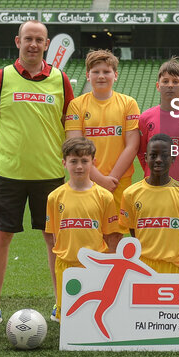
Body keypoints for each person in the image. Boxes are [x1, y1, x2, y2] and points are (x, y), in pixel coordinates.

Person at [0, 20, 75, 327]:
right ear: (17, 41)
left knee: (53, 239)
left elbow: (68, 125)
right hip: (8, 174)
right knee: (1, 236)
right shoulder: (2, 77)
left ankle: (61, 302)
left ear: (47, 44)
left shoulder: (60, 80)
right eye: (28, 39)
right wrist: (8, 155)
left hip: (49, 175)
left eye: (39, 39)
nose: (33, 44)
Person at [137, 57, 179, 273]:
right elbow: (142, 153)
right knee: (154, 244)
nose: (170, 86)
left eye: (175, 81)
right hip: (155, 190)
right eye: (165, 81)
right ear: (158, 85)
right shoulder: (146, 117)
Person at [44, 137, 121, 323]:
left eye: (84, 161)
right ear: (64, 163)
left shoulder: (104, 197)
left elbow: (111, 237)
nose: (79, 166)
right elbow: (55, 236)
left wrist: (108, 269)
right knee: (69, 321)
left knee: (93, 317)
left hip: (94, 266)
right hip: (66, 266)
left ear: (93, 163)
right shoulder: (55, 197)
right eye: (73, 161)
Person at [65, 49, 141, 230]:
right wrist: (99, 179)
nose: (101, 76)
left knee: (115, 236)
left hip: (119, 182)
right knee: (88, 234)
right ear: (87, 75)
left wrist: (112, 178)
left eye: (106, 71)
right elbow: (74, 147)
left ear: (115, 75)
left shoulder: (128, 104)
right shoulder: (76, 105)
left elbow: (132, 145)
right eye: (95, 72)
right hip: (85, 180)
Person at [119, 133, 179, 273]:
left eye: (165, 155)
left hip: (174, 267)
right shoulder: (130, 194)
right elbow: (134, 231)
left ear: (173, 158)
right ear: (146, 158)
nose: (159, 160)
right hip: (142, 267)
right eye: (153, 155)